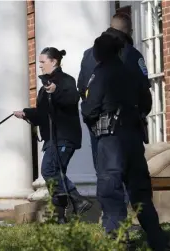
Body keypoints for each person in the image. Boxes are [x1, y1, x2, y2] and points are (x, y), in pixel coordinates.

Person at [81, 32, 169, 251]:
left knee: (111, 191)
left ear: (99, 54)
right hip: (133, 137)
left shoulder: (100, 74)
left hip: (111, 140)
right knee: (140, 193)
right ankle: (158, 241)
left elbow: (89, 109)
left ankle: (119, 241)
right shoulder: (131, 73)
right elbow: (146, 103)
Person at [13, 47, 92, 224]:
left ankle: (78, 200)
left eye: (42, 62)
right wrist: (26, 113)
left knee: (50, 171)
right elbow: (43, 113)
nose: (39, 66)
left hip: (64, 136)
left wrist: (56, 91)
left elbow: (72, 99)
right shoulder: (44, 88)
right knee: (57, 175)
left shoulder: (66, 81)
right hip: (51, 138)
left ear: (53, 61)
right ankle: (60, 217)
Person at [77, 12, 152, 171]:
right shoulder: (132, 54)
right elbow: (144, 92)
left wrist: (91, 114)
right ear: (129, 32)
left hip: (97, 126)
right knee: (131, 177)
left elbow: (82, 89)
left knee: (104, 176)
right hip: (125, 125)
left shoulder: (88, 54)